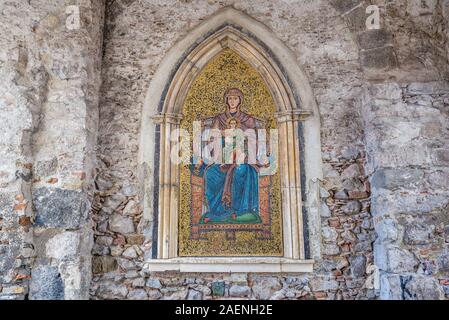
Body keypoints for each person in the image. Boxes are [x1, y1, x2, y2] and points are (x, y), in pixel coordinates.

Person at [199, 88, 262, 224]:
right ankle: (218, 211)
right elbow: (212, 138)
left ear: (240, 101)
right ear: (226, 101)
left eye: (235, 98)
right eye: (230, 98)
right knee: (211, 174)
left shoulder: (247, 119)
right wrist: (221, 136)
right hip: (222, 157)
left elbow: (252, 139)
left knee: (240, 171)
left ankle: (240, 211)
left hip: (242, 157)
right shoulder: (219, 119)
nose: (232, 101)